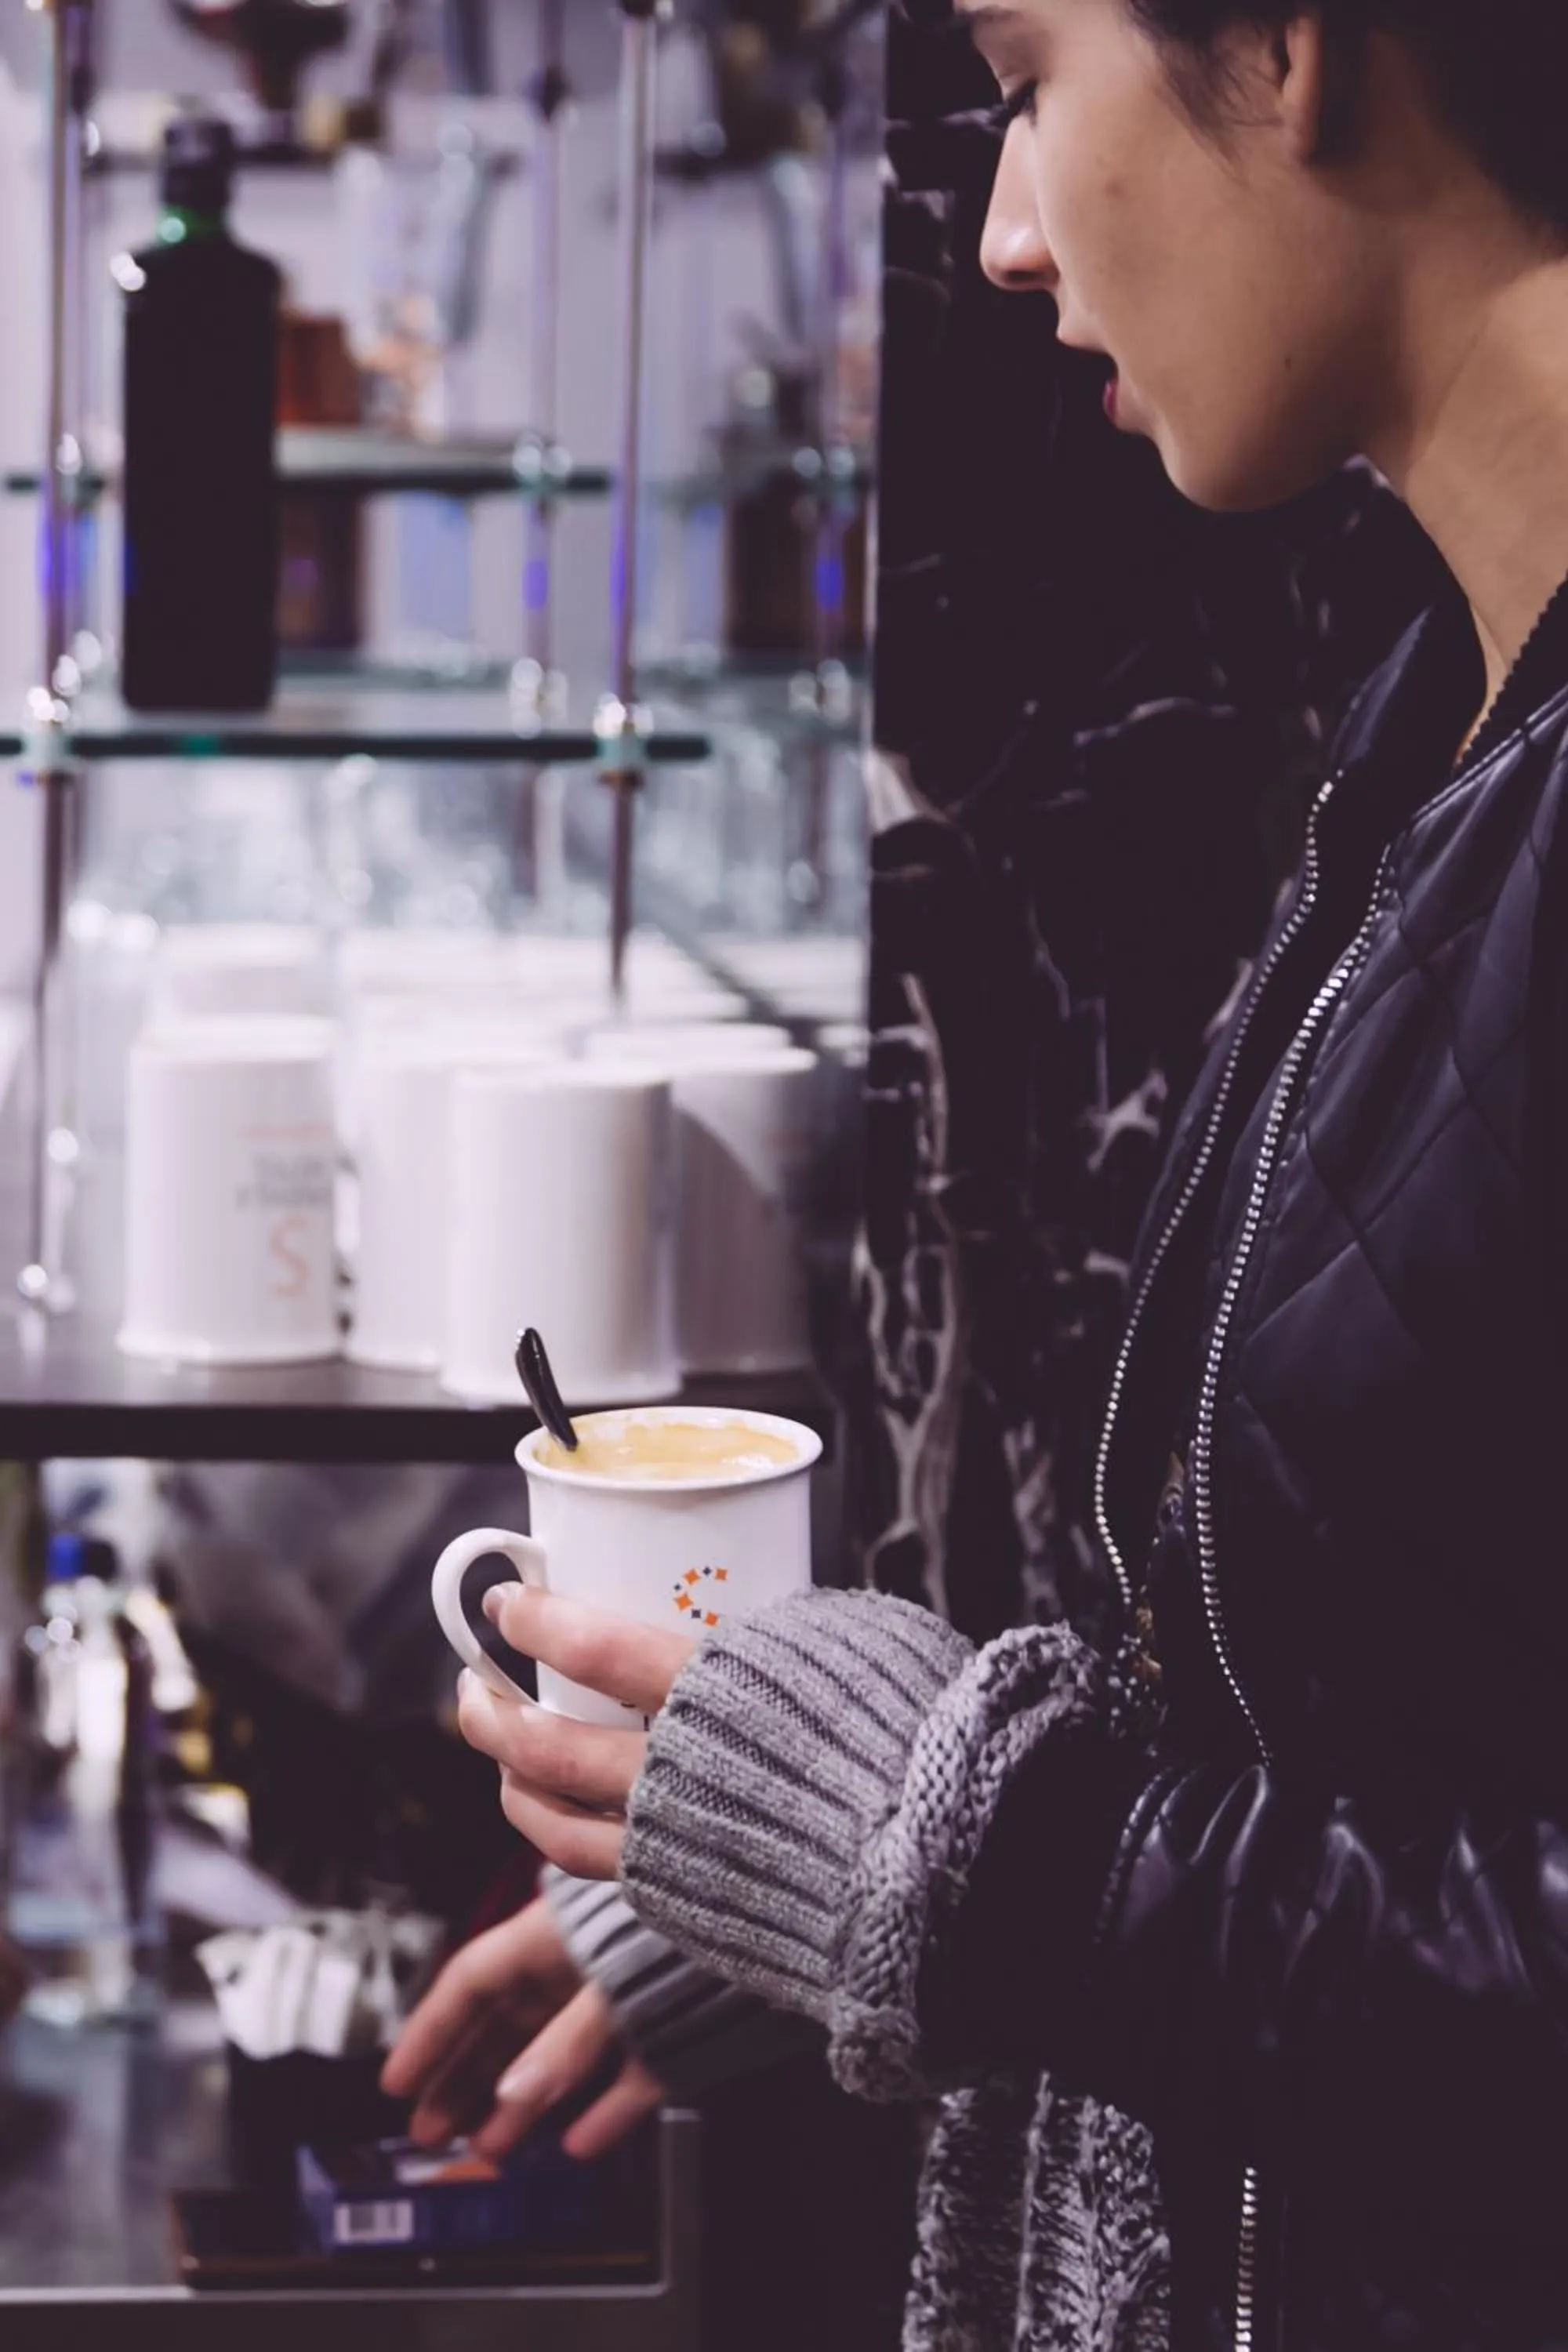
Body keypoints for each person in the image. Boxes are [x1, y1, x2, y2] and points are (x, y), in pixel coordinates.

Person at [387, 2, 1568, 2342]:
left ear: (1294, 47)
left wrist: (990, 1872)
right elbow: (1376, 1689)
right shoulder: (1441, 696)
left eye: (1028, 75)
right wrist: (806, 1870)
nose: (1008, 234)